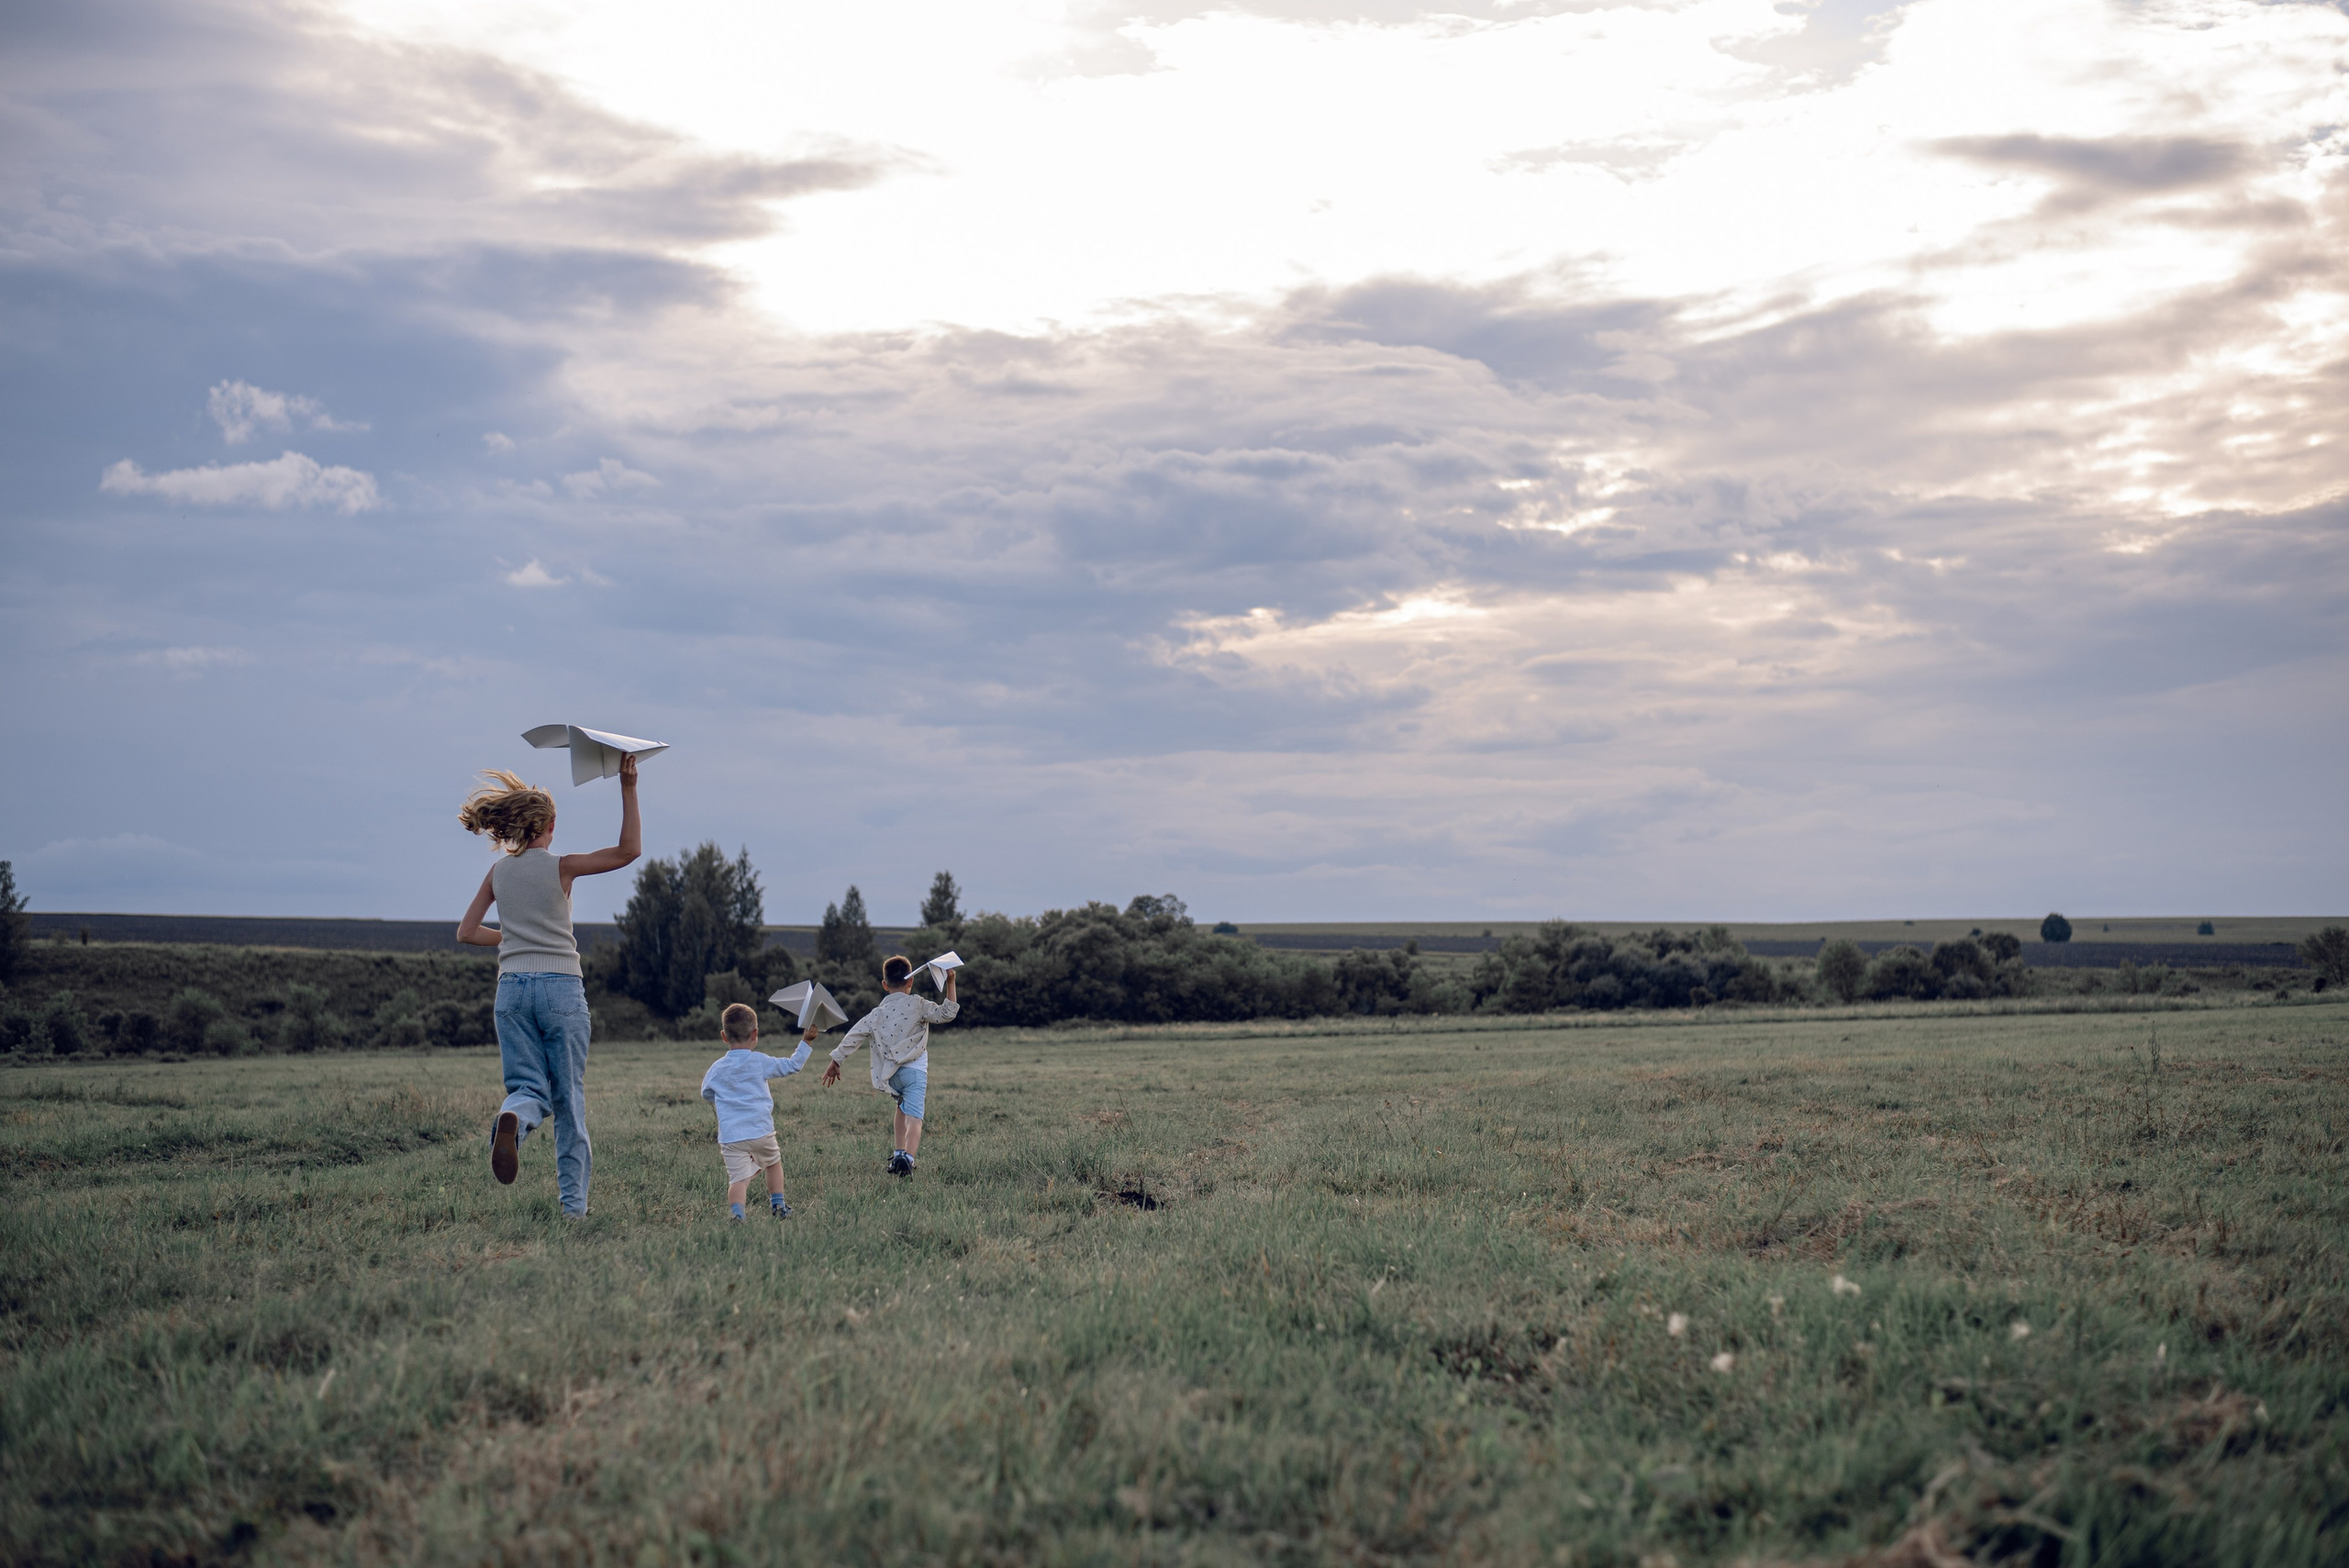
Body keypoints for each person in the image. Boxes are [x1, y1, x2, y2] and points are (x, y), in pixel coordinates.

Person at [454, 751, 641, 1218]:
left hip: (512, 991)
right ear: (548, 824)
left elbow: (466, 933)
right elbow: (628, 851)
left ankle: (513, 1120)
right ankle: (573, 1212)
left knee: (527, 1088)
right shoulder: (563, 866)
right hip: (560, 988)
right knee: (568, 1103)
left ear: (515, 826)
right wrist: (628, 787)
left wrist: (516, 937)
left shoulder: (498, 873)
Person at [821, 954, 957, 1175]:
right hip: (914, 1071)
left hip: (891, 1074)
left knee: (900, 1108)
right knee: (915, 1119)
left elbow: (854, 1035)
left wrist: (836, 1060)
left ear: (885, 985)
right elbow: (947, 1013)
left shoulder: (877, 1013)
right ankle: (908, 1159)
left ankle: (897, 1153)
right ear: (910, 981)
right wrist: (950, 982)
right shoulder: (918, 1004)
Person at [700, 1002, 817, 1221]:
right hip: (761, 1131)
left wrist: (723, 1098)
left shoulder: (716, 1068)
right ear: (755, 1034)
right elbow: (792, 1065)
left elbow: (706, 1093)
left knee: (737, 1180)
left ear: (724, 1036)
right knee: (773, 1163)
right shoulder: (760, 1061)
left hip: (731, 1137)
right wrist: (806, 1041)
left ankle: (738, 1214)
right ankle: (778, 1206)